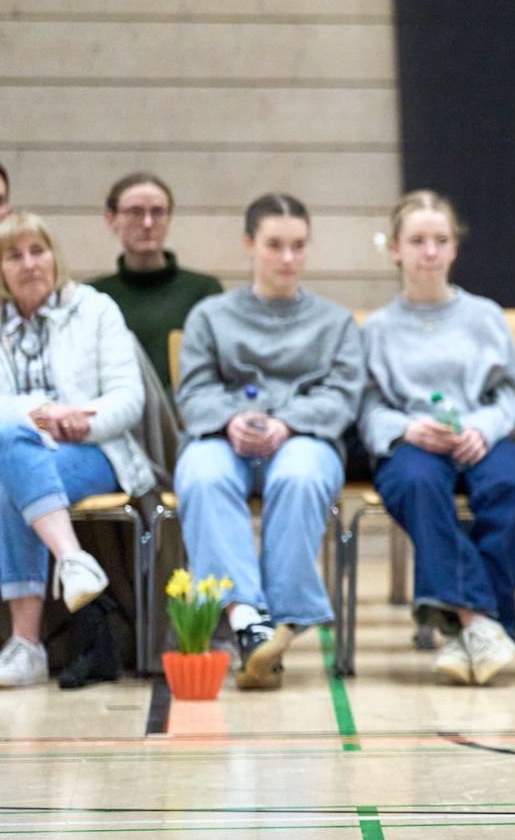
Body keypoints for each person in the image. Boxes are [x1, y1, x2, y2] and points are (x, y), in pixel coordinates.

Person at [174, 194, 364, 690]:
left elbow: (344, 397)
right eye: (275, 245)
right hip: (223, 437)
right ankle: (247, 621)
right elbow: (192, 393)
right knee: (202, 476)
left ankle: (283, 617)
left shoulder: (336, 322)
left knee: (300, 477)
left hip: (303, 437)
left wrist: (288, 423)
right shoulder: (210, 316)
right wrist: (231, 419)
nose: (288, 257)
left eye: (298, 245)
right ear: (248, 244)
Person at [359, 192, 515, 686]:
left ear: (454, 248)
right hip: (413, 443)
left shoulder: (485, 316)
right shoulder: (376, 329)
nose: (430, 251)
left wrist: (482, 427)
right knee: (417, 485)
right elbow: (367, 409)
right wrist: (407, 428)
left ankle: (471, 629)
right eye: (417, 240)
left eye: (440, 240)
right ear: (395, 249)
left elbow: (511, 398)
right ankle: (483, 622)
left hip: (479, 437)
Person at [0, 213, 143, 688]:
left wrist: (83, 418)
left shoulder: (95, 309)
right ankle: (73, 562)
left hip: (93, 449)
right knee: (12, 457)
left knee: (11, 473)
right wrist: (40, 411)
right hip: (19, 449)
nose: (29, 264)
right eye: (13, 255)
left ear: (54, 256)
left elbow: (130, 397)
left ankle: (26, 644)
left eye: (37, 251)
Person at [91, 172, 223, 394]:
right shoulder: (94, 296)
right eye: (135, 212)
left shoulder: (204, 291)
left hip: (186, 410)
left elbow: (216, 369)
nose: (147, 223)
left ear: (169, 218)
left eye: (158, 212)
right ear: (111, 219)